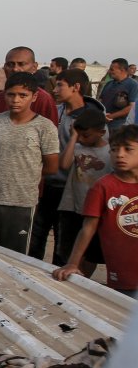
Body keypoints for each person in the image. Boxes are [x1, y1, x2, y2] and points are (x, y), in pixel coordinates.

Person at [0, 72, 60, 252]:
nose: (16, 100)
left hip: (20, 202)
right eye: (11, 94)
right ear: (4, 95)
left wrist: (24, 173)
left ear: (34, 97)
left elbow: (52, 167)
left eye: (23, 95)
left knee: (14, 257)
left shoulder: (44, 127)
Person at [53, 125, 138, 297]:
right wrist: (72, 263)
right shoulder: (103, 187)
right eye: (114, 150)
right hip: (124, 275)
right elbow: (88, 228)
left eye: (128, 149)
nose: (120, 154)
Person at [40, 68, 105, 263]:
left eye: (60, 85)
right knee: (36, 237)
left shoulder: (93, 119)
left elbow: (97, 156)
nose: (55, 90)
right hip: (46, 183)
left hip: (71, 189)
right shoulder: (55, 111)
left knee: (64, 245)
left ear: (76, 87)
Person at [54, 108, 109, 272]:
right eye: (80, 135)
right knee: (69, 250)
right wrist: (73, 138)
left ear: (101, 132)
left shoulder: (110, 153)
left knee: (91, 253)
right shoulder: (77, 148)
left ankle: (83, 280)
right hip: (73, 207)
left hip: (96, 212)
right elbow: (63, 165)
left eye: (87, 135)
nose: (83, 139)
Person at [0, 47, 58, 124]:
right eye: (10, 64)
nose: (15, 69)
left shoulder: (43, 100)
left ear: (34, 67)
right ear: (4, 67)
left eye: (21, 64)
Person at [99, 58, 138, 134]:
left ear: (122, 70)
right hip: (103, 124)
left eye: (112, 69)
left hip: (119, 126)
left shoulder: (133, 85)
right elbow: (100, 100)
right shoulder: (109, 84)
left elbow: (132, 107)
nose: (110, 71)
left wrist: (111, 116)